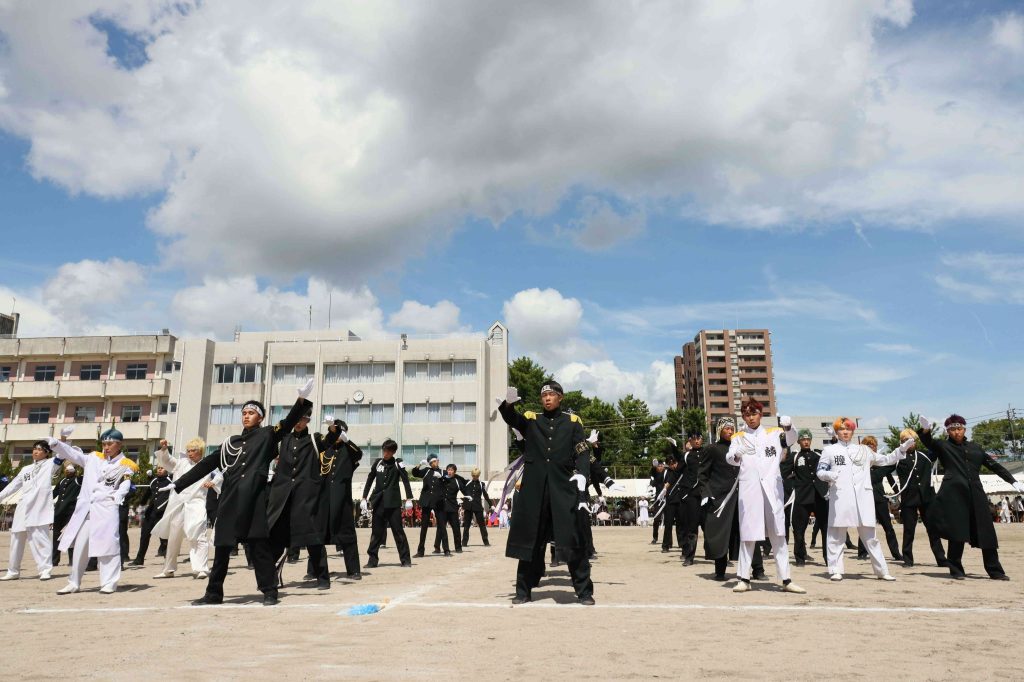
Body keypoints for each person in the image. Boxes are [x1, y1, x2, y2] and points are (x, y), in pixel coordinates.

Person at [170, 379, 315, 606]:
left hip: (253, 501)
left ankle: (269, 591)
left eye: (251, 413)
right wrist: (179, 483)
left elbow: (287, 424)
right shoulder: (231, 442)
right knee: (222, 550)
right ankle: (213, 594)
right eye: (244, 413)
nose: (246, 416)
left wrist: (301, 401)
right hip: (229, 501)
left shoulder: (267, 434)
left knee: (259, 548)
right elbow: (208, 463)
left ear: (260, 417)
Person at [498, 382, 595, 606]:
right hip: (534, 490)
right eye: (544, 395)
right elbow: (513, 420)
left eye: (552, 394)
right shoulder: (532, 420)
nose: (547, 398)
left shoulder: (572, 422)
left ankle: (583, 591)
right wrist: (508, 406)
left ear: (560, 397)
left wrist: (583, 474)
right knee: (530, 540)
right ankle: (523, 590)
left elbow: (582, 451)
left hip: (563, 488)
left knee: (572, 539)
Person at [918, 414, 1024, 580]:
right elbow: (928, 442)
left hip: (977, 494)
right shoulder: (943, 446)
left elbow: (994, 465)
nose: (956, 432)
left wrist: (1013, 481)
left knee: (987, 532)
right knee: (956, 533)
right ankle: (956, 570)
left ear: (964, 429)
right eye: (952, 429)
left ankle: (995, 570)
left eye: (959, 428)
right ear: (948, 431)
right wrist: (925, 431)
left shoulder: (976, 448)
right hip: (954, 495)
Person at [816, 418, 910, 582]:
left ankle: (881, 571)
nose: (845, 432)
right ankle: (836, 569)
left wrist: (900, 450)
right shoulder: (829, 450)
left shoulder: (864, 450)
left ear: (853, 431)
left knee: (871, 537)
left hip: (862, 498)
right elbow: (820, 471)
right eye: (841, 429)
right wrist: (828, 475)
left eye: (848, 429)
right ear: (837, 432)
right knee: (836, 536)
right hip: (840, 497)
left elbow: (885, 459)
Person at [726, 399, 804, 594]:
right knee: (748, 535)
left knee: (778, 534)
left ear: (760, 414)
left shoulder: (774, 433)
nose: (751, 418)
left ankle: (786, 579)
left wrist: (789, 426)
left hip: (771, 489)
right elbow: (730, 458)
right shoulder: (738, 437)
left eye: (754, 413)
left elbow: (791, 439)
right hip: (750, 490)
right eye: (747, 414)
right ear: (743, 417)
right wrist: (736, 454)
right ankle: (744, 578)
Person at [47, 427, 138, 594]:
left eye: (110, 444)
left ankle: (109, 582)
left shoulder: (126, 463)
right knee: (80, 546)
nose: (106, 447)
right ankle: (74, 582)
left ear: (119, 445)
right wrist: (58, 444)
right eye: (104, 444)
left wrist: (120, 493)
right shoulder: (93, 458)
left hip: (106, 509)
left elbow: (126, 481)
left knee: (108, 545)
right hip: (86, 509)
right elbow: (73, 455)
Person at [267, 407, 334, 590]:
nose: (298, 422)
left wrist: (332, 428)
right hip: (283, 496)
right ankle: (270, 578)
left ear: (307, 421)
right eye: (296, 418)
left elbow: (330, 440)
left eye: (302, 419)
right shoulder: (284, 439)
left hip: (306, 496)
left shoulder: (314, 439)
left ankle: (323, 577)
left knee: (312, 537)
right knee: (277, 538)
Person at [699, 417, 765, 581]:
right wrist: (706, 493)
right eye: (726, 428)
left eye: (732, 428)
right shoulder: (712, 449)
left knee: (750, 532)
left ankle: (758, 569)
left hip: (744, 495)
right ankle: (720, 571)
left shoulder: (743, 446)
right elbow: (702, 474)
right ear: (719, 430)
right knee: (722, 534)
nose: (730, 431)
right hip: (722, 498)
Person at [152, 438, 218, 579]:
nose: (190, 453)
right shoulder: (181, 463)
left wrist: (213, 482)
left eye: (193, 450)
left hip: (197, 503)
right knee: (173, 537)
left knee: (199, 535)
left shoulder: (208, 465)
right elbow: (167, 461)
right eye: (188, 450)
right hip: (178, 503)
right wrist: (164, 449)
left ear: (201, 451)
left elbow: (220, 477)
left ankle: (201, 568)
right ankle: (168, 569)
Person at [0, 439, 62, 581]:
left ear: (47, 453)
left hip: (39, 508)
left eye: (40, 449)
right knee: (16, 539)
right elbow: (12, 486)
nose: (36, 451)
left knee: (40, 539)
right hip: (23, 507)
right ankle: (13, 571)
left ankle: (45, 570)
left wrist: (61, 441)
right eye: (35, 449)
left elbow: (62, 454)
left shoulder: (50, 464)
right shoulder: (25, 469)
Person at [319, 419, 364, 580]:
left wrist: (347, 441)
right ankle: (315, 570)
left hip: (343, 498)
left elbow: (359, 454)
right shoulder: (325, 449)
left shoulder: (349, 450)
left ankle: (354, 570)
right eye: (336, 432)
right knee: (318, 535)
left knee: (347, 534)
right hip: (324, 497)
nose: (338, 436)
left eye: (341, 432)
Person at [361, 439, 414, 568]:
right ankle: (372, 560)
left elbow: (405, 480)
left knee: (398, 531)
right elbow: (370, 479)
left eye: (388, 451)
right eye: (384, 450)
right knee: (376, 532)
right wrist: (364, 497)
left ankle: (405, 559)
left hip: (393, 503)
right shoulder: (378, 463)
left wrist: (409, 498)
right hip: (378, 501)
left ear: (393, 452)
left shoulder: (398, 463)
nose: (385, 453)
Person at [789, 429, 828, 566]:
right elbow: (784, 470)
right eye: (803, 439)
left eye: (808, 439)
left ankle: (828, 558)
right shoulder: (795, 456)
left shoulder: (818, 455)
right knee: (799, 529)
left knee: (825, 528)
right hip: (802, 497)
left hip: (819, 496)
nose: (806, 442)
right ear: (799, 441)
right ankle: (800, 557)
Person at [862, 436, 903, 563]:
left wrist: (898, 492)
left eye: (873, 445)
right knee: (865, 526)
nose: (871, 447)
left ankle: (896, 553)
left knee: (888, 526)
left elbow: (891, 479)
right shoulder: (860, 463)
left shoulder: (882, 462)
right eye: (868, 445)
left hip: (880, 498)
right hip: (865, 497)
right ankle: (862, 552)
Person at [666, 434, 702, 565]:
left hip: (706, 493)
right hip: (690, 494)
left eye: (699, 438)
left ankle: (715, 554)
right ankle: (688, 555)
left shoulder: (707, 452)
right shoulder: (686, 456)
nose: (696, 441)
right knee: (690, 526)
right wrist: (668, 484)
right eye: (693, 439)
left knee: (711, 526)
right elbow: (676, 471)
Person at [130, 466, 172, 566]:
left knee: (164, 537)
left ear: (167, 470)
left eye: (162, 468)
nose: (159, 470)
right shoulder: (153, 481)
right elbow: (147, 494)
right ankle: (139, 559)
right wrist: (140, 504)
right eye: (158, 468)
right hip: (150, 512)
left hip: (162, 513)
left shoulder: (170, 481)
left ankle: (168, 560)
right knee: (144, 536)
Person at [411, 454, 445, 557]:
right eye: (431, 462)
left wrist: (442, 478)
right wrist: (419, 464)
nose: (434, 463)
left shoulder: (442, 472)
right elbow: (415, 473)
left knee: (441, 525)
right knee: (424, 527)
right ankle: (420, 551)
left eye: (435, 461)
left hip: (438, 501)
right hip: (427, 501)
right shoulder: (426, 471)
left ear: (438, 461)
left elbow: (447, 482)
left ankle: (445, 549)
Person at [52, 462, 82, 567]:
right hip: (59, 512)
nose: (68, 470)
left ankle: (72, 560)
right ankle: (54, 560)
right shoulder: (62, 480)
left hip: (71, 512)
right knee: (56, 536)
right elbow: (53, 494)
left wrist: (78, 465)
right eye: (67, 469)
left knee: (70, 536)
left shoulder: (78, 480)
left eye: (70, 469)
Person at [436, 464, 467, 555]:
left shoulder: (457, 481)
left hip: (452, 507)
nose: (449, 471)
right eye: (448, 470)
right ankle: (440, 548)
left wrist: (468, 496)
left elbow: (464, 490)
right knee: (441, 529)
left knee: (456, 528)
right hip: (442, 507)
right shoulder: (442, 479)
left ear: (454, 471)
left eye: (451, 470)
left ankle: (458, 547)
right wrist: (439, 478)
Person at [461, 467, 493, 547]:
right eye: (474, 475)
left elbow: (485, 495)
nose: (475, 477)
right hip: (468, 506)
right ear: (472, 475)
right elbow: (460, 483)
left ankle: (486, 542)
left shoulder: (482, 484)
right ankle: (464, 542)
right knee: (466, 525)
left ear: (479, 475)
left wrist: (491, 504)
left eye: (477, 476)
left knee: (482, 525)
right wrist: (465, 496)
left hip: (478, 506)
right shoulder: (467, 482)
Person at [648, 459, 666, 545]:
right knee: (656, 519)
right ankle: (655, 537)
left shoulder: (668, 473)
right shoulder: (656, 474)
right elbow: (653, 473)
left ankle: (668, 540)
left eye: (662, 465)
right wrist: (654, 466)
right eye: (659, 466)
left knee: (669, 520)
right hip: (659, 499)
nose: (661, 467)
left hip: (669, 498)